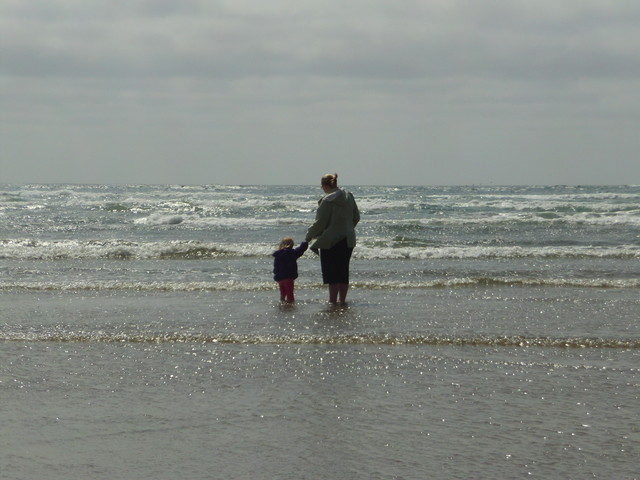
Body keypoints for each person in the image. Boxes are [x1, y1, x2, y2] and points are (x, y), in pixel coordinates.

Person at [305, 173, 360, 304]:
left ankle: (332, 301)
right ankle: (342, 300)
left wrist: (308, 237)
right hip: (347, 239)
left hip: (330, 240)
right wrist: (347, 228)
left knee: (332, 274)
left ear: (324, 185)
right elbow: (356, 217)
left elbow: (320, 223)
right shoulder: (349, 196)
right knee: (343, 272)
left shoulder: (326, 201)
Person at [273, 237, 308, 303]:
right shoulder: (292, 253)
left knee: (282, 294)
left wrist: (276, 275)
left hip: (280, 278)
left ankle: (282, 305)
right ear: (291, 245)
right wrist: (306, 241)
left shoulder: (278, 254)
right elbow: (301, 249)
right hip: (288, 277)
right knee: (290, 295)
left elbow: (276, 266)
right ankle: (290, 307)